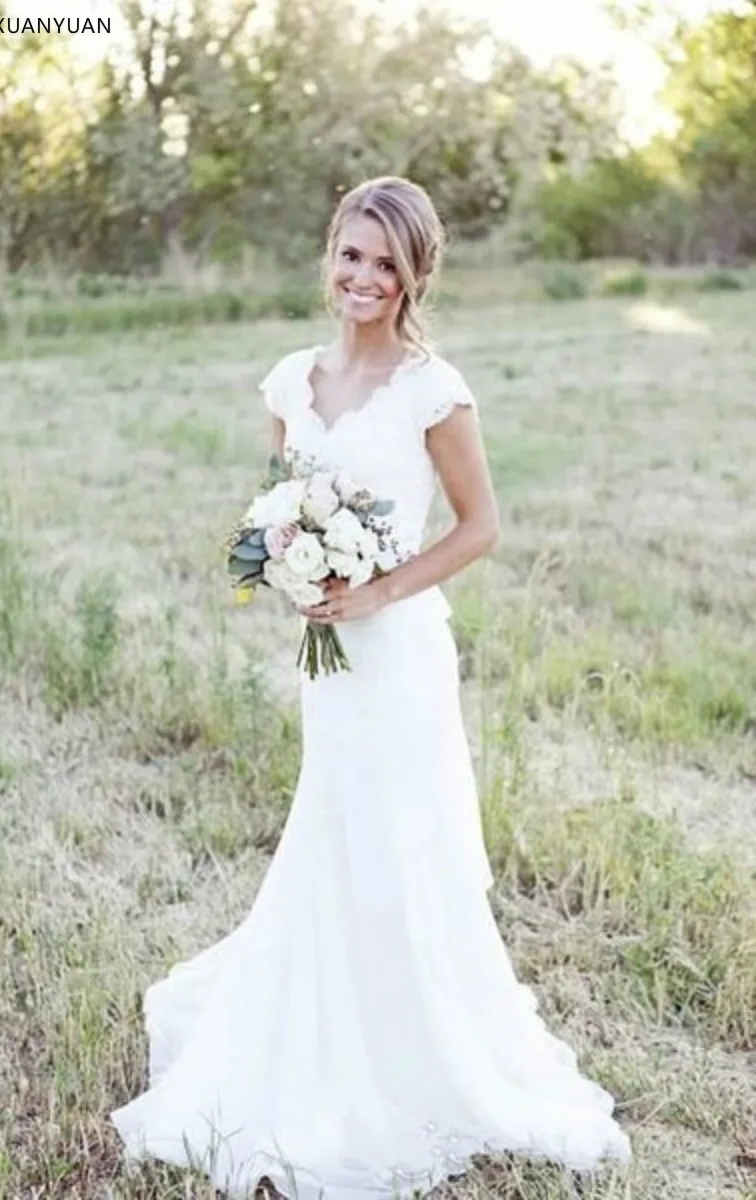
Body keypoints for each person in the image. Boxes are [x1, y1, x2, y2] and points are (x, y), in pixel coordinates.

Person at [110, 175, 632, 1199]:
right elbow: (280, 505)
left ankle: (413, 1051)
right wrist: (289, 568)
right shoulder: (290, 382)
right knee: (334, 825)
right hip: (331, 662)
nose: (362, 277)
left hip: (398, 657)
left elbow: (481, 527)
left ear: (413, 275)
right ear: (330, 255)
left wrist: (378, 590)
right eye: (351, 254)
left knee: (400, 837)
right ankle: (321, 1026)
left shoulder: (433, 390)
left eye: (385, 263)